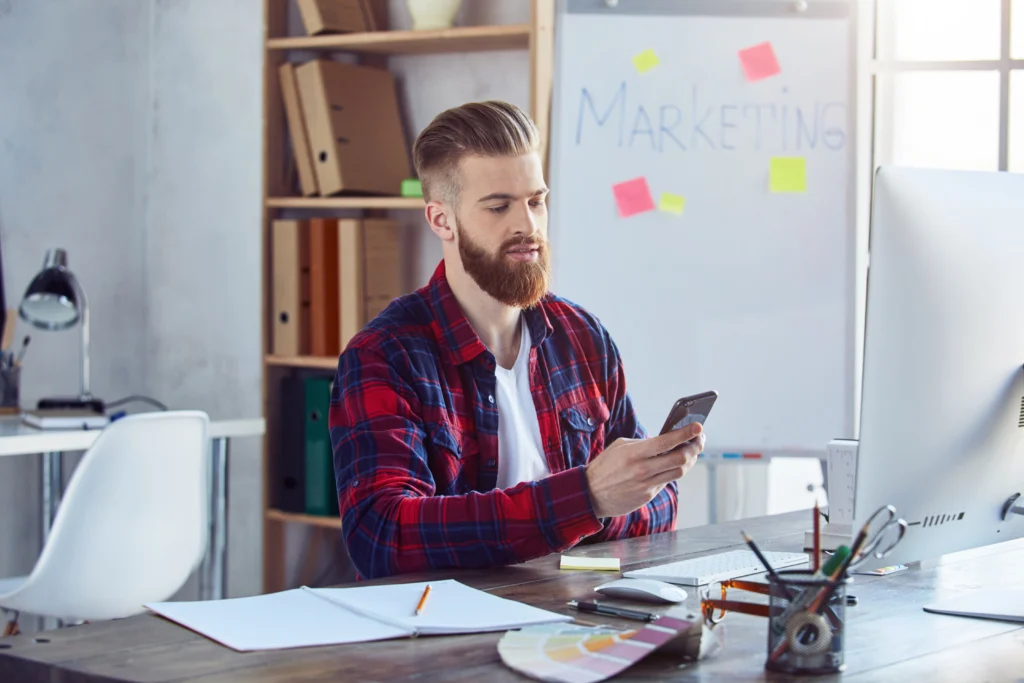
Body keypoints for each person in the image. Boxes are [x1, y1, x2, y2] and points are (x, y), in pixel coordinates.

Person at [329, 100, 705, 580]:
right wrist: (586, 499)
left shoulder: (583, 337)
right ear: (441, 220)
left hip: (574, 620)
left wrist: (624, 489)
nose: (527, 225)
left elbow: (658, 510)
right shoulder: (385, 356)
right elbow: (382, 536)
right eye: (498, 206)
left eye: (536, 200)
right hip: (445, 636)